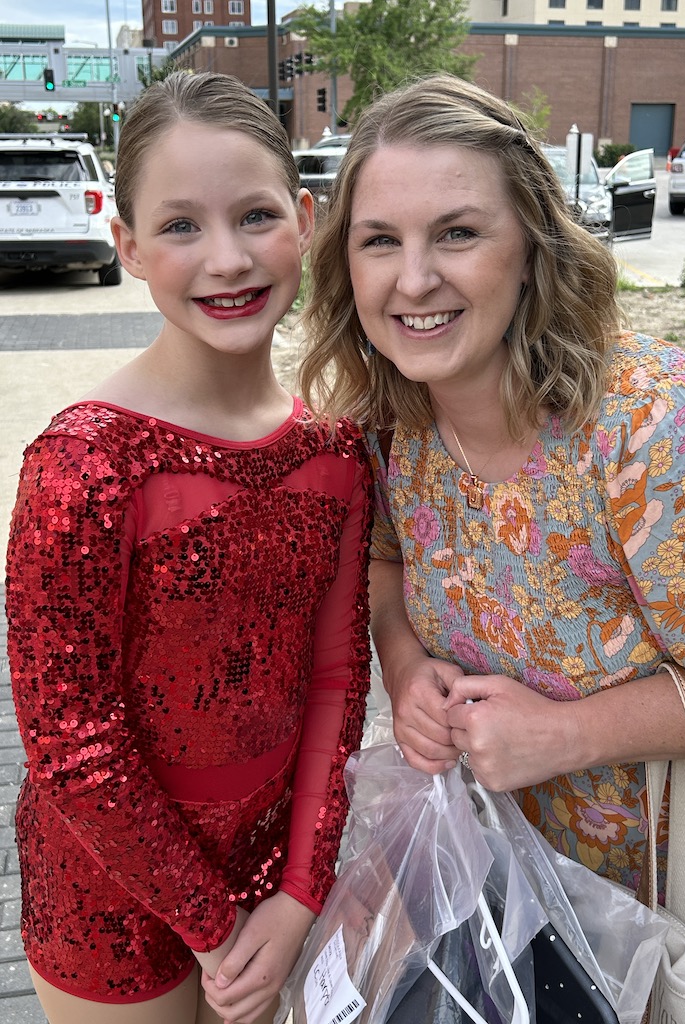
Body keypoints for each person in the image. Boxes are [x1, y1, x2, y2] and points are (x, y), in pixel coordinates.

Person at [298, 72, 685, 966]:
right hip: (525, 909)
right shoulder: (396, 426)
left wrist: (569, 735)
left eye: (459, 233)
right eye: (379, 241)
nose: (414, 277)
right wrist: (404, 669)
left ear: (533, 245)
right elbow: (386, 562)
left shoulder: (661, 433)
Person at [5, 70, 372, 1024]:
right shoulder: (84, 464)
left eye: (255, 216)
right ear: (125, 244)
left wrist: (297, 892)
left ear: (303, 219)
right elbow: (71, 743)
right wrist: (211, 926)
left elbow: (337, 678)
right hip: (109, 897)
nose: (226, 259)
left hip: (273, 871)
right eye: (179, 227)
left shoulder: (333, 452)